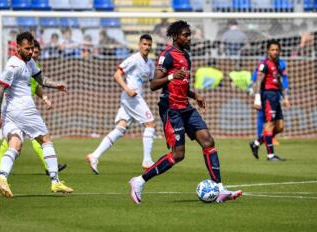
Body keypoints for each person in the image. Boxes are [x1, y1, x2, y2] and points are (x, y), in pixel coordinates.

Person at [128, 21, 242, 204]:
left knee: (208, 141)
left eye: (189, 34)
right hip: (171, 109)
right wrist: (172, 76)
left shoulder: (186, 56)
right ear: (175, 36)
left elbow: (182, 84)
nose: (189, 38)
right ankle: (139, 181)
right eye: (185, 35)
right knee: (178, 154)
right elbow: (153, 85)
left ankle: (220, 189)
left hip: (186, 106)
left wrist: (195, 95)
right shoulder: (167, 56)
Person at [0, 32, 73, 198]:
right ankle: (55, 181)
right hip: (24, 109)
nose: (30, 52)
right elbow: (0, 89)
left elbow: (41, 79)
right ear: (18, 47)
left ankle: (2, 177)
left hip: (11, 113)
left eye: (32, 49)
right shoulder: (13, 65)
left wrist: (56, 85)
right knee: (46, 140)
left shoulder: (30, 62)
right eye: (27, 48)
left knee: (15, 144)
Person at [85, 34, 156, 174]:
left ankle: (94, 156)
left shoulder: (151, 64)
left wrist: (169, 77)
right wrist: (127, 89)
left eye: (149, 45)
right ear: (139, 45)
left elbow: (153, 84)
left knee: (120, 128)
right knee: (150, 123)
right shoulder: (134, 59)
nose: (147, 47)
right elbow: (117, 74)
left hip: (136, 97)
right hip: (131, 97)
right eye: (144, 44)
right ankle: (147, 160)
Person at [251, 39, 291, 161]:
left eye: (277, 50)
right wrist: (257, 99)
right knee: (270, 124)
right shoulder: (264, 64)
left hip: (276, 96)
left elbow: (279, 82)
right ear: (268, 50)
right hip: (267, 95)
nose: (275, 52)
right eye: (272, 50)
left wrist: (285, 97)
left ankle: (256, 143)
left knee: (280, 126)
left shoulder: (278, 64)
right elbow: (258, 81)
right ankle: (271, 155)